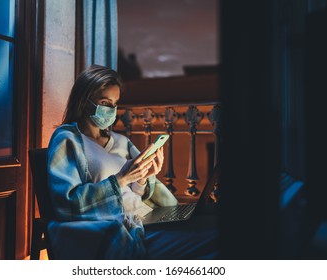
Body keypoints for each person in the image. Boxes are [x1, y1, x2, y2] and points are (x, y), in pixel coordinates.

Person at [47, 64, 218, 259]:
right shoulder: (68, 139)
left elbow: (137, 192)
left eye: (115, 103)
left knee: (214, 224)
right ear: (85, 101)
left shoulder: (121, 141)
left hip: (148, 216)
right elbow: (65, 202)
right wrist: (120, 178)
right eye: (105, 102)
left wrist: (143, 178)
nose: (111, 109)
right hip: (129, 228)